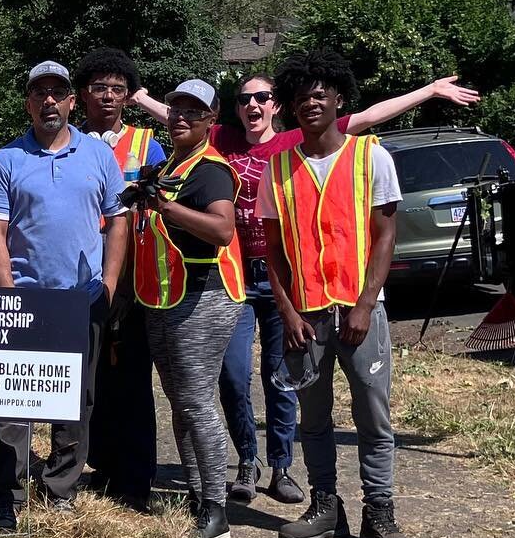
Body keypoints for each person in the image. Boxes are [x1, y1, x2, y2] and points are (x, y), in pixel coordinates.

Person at [134, 71, 479, 506]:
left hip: (295, 281)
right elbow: (179, 114)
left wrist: (428, 91)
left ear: (277, 105)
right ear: (234, 108)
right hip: (245, 277)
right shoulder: (223, 138)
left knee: (284, 383)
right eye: (244, 99)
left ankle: (282, 467)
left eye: (262, 97)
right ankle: (247, 463)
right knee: (235, 378)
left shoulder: (298, 140)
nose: (253, 105)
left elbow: (370, 116)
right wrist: (137, 94)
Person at [259, 49, 416, 538]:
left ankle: (379, 513)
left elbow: (385, 235)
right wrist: (286, 312)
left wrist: (366, 304)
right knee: (314, 417)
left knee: (374, 414)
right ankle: (325, 505)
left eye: (320, 95)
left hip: (359, 314)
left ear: (339, 100)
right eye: (301, 97)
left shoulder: (372, 156)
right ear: (289, 106)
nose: (311, 103)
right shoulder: (277, 168)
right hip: (304, 318)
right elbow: (274, 251)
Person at [0, 61, 128, 531]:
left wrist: (109, 284)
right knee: (10, 403)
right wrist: (7, 295)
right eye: (39, 93)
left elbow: (119, 220)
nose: (48, 101)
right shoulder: (7, 159)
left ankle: (60, 486)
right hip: (22, 300)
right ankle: (9, 490)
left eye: (56, 93)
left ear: (69, 101)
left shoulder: (99, 157)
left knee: (75, 399)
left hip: (81, 298)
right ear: (28, 102)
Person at [131, 79, 244, 538]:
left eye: (192, 112)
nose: (180, 117)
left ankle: (217, 511)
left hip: (206, 296)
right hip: (163, 297)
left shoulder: (210, 171)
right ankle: (199, 495)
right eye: (175, 109)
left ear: (210, 121)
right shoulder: (170, 164)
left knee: (197, 402)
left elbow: (221, 229)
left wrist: (168, 208)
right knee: (179, 401)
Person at [76, 47, 166, 511]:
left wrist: (128, 285)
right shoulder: (67, 142)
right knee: (92, 381)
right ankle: (101, 466)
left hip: (134, 281)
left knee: (131, 381)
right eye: (99, 88)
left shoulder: (147, 144)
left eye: (117, 89)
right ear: (82, 95)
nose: (108, 96)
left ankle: (135, 480)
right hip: (82, 278)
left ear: (129, 96)